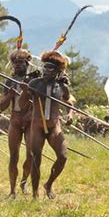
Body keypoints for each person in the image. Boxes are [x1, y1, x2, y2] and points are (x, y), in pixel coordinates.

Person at [25, 50, 74, 199]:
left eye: (50, 68)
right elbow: (22, 102)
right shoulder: (34, 84)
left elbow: (69, 102)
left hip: (54, 126)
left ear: (58, 71)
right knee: (36, 158)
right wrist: (25, 92)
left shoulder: (62, 87)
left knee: (63, 156)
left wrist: (70, 114)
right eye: (45, 67)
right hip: (37, 126)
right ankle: (34, 193)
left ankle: (49, 184)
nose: (46, 71)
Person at [0, 49, 40, 198]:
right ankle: (12, 190)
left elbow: (39, 101)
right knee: (13, 156)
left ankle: (23, 181)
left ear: (27, 63)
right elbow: (2, 107)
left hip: (30, 121)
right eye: (15, 63)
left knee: (30, 155)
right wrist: (9, 95)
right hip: (15, 120)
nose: (17, 66)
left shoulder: (34, 80)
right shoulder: (9, 81)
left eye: (20, 63)